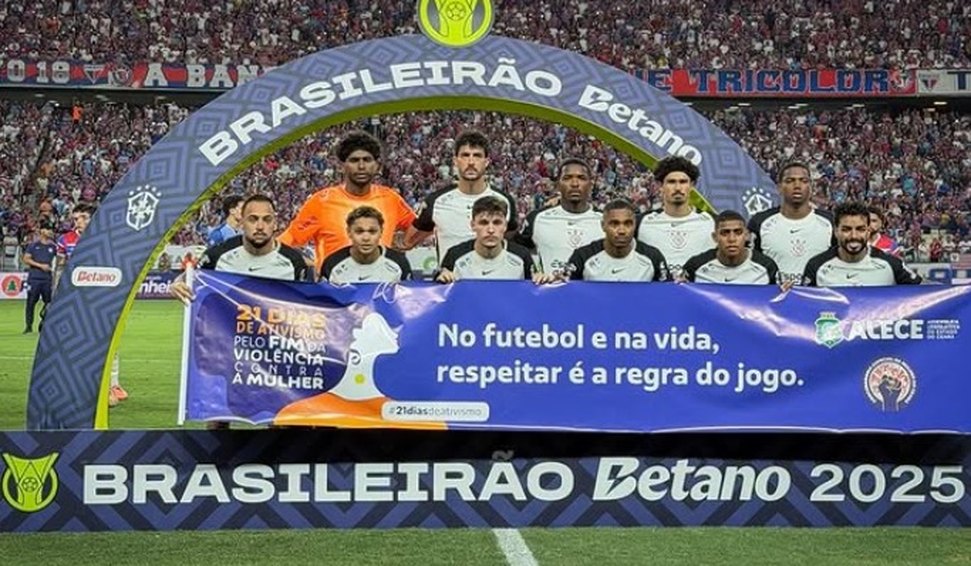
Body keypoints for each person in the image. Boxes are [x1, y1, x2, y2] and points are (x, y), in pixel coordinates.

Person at [171, 195, 309, 429]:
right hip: (228, 348)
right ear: (241, 221)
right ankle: (217, 452)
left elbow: (306, 308)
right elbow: (190, 278)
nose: (260, 226)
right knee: (217, 414)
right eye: (253, 219)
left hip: (275, 352)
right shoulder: (218, 255)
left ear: (275, 223)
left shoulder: (293, 261)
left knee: (278, 419)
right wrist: (177, 283)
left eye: (266, 219)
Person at [278, 131, 416, 274]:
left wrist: (406, 241)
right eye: (354, 160)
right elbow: (289, 239)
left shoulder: (390, 199)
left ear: (377, 165)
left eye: (367, 160)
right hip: (334, 285)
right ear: (341, 166)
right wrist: (303, 263)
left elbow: (419, 226)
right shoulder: (321, 202)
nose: (361, 166)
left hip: (380, 283)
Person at [401, 130, 519, 260]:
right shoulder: (436, 201)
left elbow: (512, 244)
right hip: (449, 272)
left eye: (477, 156)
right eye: (465, 155)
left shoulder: (504, 201)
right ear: (455, 161)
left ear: (486, 161)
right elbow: (408, 241)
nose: (471, 162)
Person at [748, 162, 834, 285]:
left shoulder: (829, 222)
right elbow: (751, 263)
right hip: (774, 295)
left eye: (803, 181)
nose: (797, 185)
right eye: (790, 181)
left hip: (817, 295)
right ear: (779, 187)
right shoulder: (760, 222)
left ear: (811, 187)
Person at [514, 157, 602, 275]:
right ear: (558, 184)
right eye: (567, 178)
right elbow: (518, 252)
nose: (575, 184)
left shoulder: (605, 220)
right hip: (552, 286)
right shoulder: (537, 218)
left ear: (591, 184)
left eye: (581, 178)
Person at [802, 201, 922, 287]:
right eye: (846, 229)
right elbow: (802, 303)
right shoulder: (816, 265)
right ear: (836, 232)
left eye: (860, 229)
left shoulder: (891, 264)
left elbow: (925, 293)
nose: (854, 236)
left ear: (868, 231)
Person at [637, 156, 715, 278]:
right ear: (660, 185)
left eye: (683, 182)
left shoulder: (711, 221)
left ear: (692, 185)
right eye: (671, 182)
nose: (678, 188)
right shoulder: (641, 222)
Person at [436, 196, 541, 282]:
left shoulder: (522, 255)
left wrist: (540, 280)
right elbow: (439, 292)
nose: (491, 230)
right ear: (473, 225)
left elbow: (534, 291)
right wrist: (442, 278)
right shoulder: (455, 255)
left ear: (505, 226)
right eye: (484, 223)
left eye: (497, 223)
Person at [566, 199, 671, 282]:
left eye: (628, 224)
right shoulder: (583, 257)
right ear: (603, 226)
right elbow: (565, 290)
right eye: (614, 224)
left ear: (635, 225)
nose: (621, 231)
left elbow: (668, 292)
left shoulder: (652, 257)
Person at [682, 210, 780, 284]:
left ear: (747, 236)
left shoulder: (766, 266)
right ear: (715, 237)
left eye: (738, 232)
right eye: (725, 233)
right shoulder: (695, 267)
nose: (732, 239)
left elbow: (779, 297)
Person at [321, 206, 413, 284]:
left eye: (372, 231)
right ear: (349, 232)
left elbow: (409, 297)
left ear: (381, 232)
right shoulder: (332, 264)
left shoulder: (399, 263)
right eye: (359, 231)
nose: (366, 238)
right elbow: (323, 299)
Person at [22, 223, 56, 334]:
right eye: (48, 229)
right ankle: (28, 326)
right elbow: (26, 259)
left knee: (48, 303)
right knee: (31, 303)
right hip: (34, 278)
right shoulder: (33, 245)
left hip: (47, 279)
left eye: (51, 230)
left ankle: (44, 323)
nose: (50, 232)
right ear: (42, 231)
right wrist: (41, 266)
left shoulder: (53, 247)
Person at [53, 202, 94, 292]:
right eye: (76, 219)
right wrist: (56, 289)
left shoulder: (102, 237)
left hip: (95, 284)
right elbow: (60, 267)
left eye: (84, 218)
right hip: (73, 285)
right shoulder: (64, 239)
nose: (79, 222)